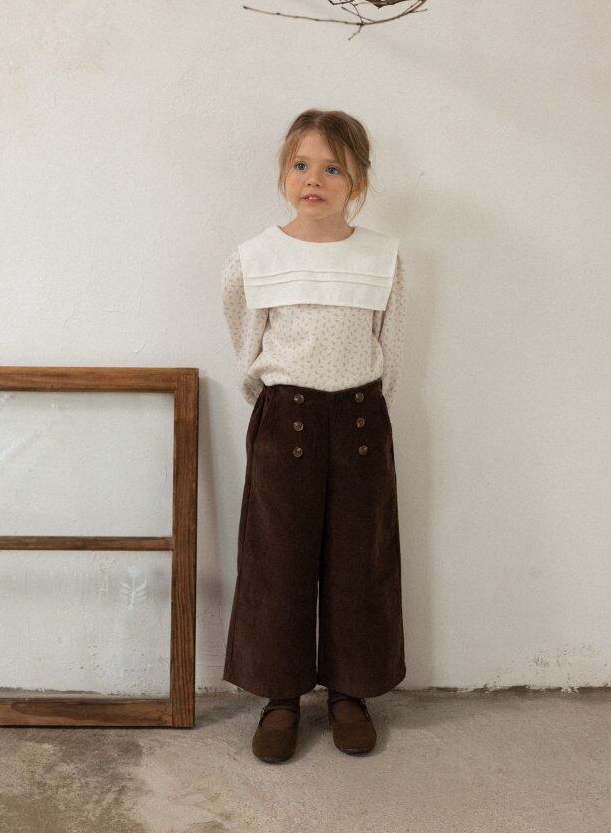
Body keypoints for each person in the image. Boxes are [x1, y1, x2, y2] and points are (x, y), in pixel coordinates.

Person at [221, 108, 407, 763]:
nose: (314, 179)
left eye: (333, 169)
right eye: (302, 165)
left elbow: (390, 347)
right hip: (286, 420)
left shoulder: (382, 257)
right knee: (278, 559)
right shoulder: (255, 257)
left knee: (360, 558)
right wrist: (277, 403)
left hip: (360, 421)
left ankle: (350, 692)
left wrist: (365, 407)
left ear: (358, 182)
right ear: (283, 172)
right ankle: (280, 697)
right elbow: (247, 340)